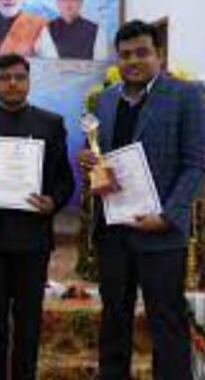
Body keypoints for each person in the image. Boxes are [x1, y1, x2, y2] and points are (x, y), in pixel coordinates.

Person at [79, 20, 205, 380]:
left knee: (166, 322)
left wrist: (167, 216)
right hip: (113, 231)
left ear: (159, 55)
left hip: (160, 232)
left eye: (142, 53)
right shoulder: (104, 100)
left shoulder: (186, 95)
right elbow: (102, 157)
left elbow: (195, 164)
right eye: (125, 55)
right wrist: (90, 162)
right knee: (113, 321)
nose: (133, 61)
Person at [0, 53, 75, 379]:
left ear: (28, 81)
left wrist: (53, 201)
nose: (12, 83)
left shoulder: (50, 124)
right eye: (4, 78)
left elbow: (65, 180)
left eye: (19, 77)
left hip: (33, 239)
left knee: (29, 323)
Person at [36, 0, 108, 60]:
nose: (68, 5)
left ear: (80, 2)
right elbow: (46, 62)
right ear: (57, 2)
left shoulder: (96, 32)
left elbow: (101, 64)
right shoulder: (47, 31)